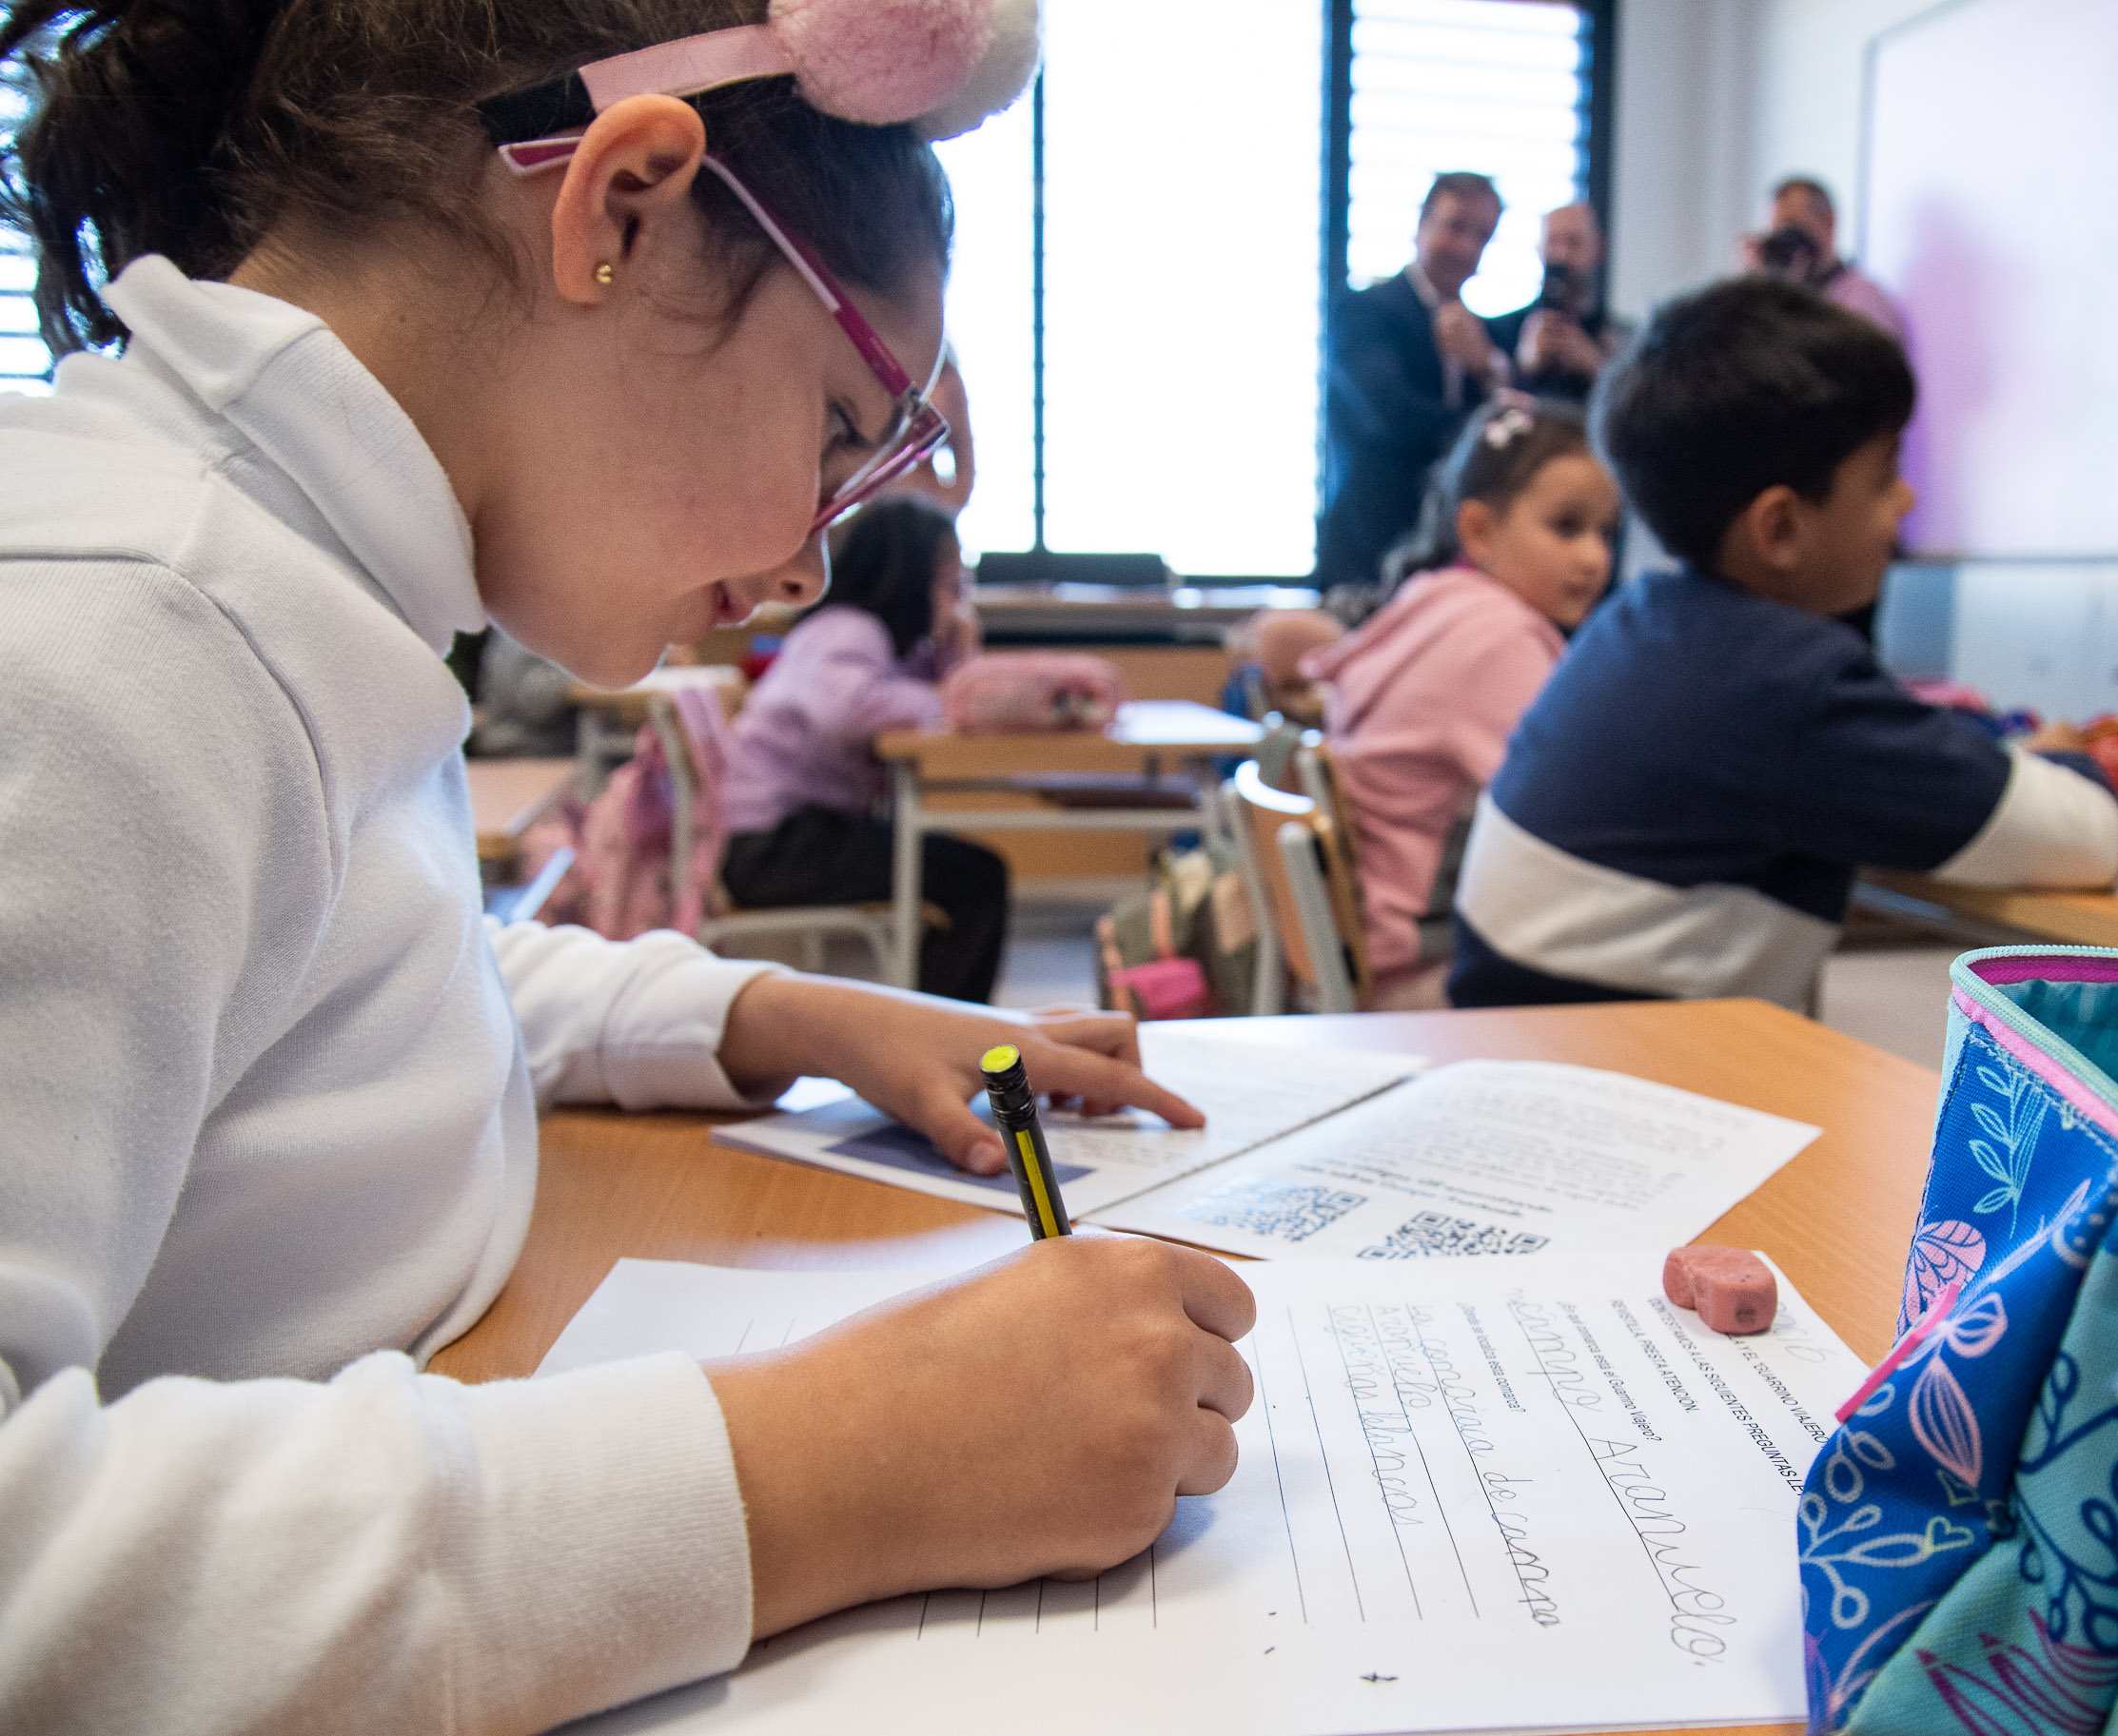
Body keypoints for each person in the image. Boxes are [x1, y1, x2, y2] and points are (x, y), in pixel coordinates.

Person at [0, 5, 1255, 1732]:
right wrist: (834, 1467)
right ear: (626, 206)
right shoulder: (108, 635)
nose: (816, 562)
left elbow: (345, 984)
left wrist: (780, 1015)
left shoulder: (299, 575)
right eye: (839, 429)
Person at [1449, 278, 2118, 1012]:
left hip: (1524, 1040)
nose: (1907, 502)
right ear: (1779, 529)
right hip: (1626, 1082)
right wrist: (2065, 757)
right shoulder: (1794, 685)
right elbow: (2089, 839)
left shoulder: (1640, 622)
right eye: (1884, 476)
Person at [1303, 403, 1617, 1006]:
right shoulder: (1498, 636)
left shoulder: (1430, 601)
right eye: (1566, 527)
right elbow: (1567, 813)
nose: (1593, 558)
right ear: (1478, 531)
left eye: (1606, 533)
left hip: (1361, 946)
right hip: (1419, 972)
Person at [722, 496, 1009, 1002]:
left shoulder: (870, 639)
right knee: (975, 877)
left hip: (789, 835)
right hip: (770, 845)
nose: (957, 596)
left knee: (968, 871)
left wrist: (954, 649)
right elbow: (846, 713)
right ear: (909, 576)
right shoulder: (848, 630)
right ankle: (943, 1031)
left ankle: (940, 1023)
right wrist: (940, 695)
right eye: (948, 582)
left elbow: (951, 695)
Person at [1316, 170, 1511, 595]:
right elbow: (1392, 416)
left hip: (1449, 558)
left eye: (1482, 236)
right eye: (1455, 227)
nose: (1466, 247)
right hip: (1370, 547)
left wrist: (1487, 367)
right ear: (1422, 224)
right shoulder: (1364, 312)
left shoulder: (1486, 336)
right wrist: (1482, 425)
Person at [1485, 201, 1623, 405]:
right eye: (1553, 242)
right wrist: (1519, 368)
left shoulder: (1623, 340)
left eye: (1573, 242)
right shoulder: (1498, 331)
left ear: (1598, 248)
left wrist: (1596, 367)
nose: (1561, 255)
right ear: (1539, 248)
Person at [1740, 176, 1902, 340]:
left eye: (1792, 228)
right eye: (1777, 234)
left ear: (1828, 222)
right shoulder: (1775, 297)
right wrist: (1754, 285)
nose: (1786, 244)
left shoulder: (1862, 300)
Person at [885, 347, 974, 517]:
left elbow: (965, 478)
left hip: (932, 511)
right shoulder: (884, 365)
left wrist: (937, 509)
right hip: (875, 509)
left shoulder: (949, 380)